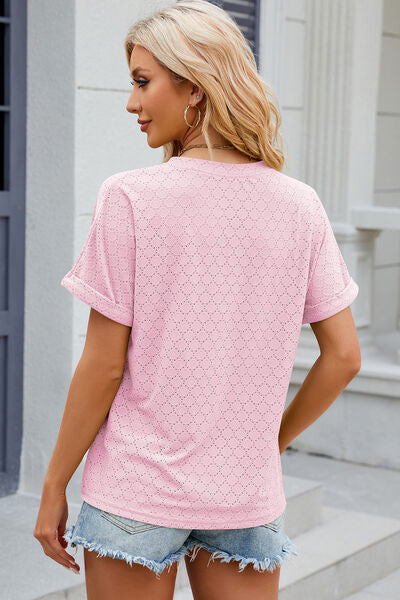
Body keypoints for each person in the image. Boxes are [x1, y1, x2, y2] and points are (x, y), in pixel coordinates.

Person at [33, 1, 361, 599]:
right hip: (244, 491)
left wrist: (54, 483)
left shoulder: (130, 197)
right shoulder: (301, 206)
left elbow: (104, 365)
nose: (131, 103)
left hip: (137, 488)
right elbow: (343, 357)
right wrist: (267, 445)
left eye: (142, 82)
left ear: (196, 86)